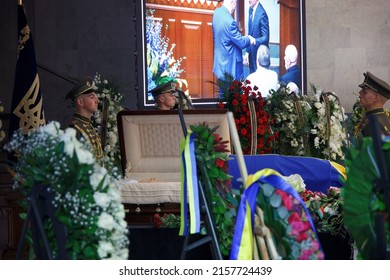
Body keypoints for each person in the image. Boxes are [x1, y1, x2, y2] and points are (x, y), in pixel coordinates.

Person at [212, 0, 255, 81]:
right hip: (230, 68)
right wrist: (249, 38)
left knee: (222, 92)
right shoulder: (230, 22)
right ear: (232, 2)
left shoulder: (217, 13)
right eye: (235, 3)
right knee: (231, 93)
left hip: (220, 66)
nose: (235, 7)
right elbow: (241, 42)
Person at [65, 76, 103, 159]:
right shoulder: (75, 130)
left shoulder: (88, 125)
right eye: (92, 97)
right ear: (80, 102)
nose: (98, 101)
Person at [354, 71, 390, 137]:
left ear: (375, 97)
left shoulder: (374, 124)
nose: (360, 94)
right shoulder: (376, 117)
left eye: (364, 92)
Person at [244, 0, 270, 74]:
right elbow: (250, 34)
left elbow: (266, 37)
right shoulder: (250, 10)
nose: (249, 0)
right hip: (251, 55)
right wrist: (247, 52)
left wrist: (255, 41)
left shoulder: (262, 14)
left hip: (260, 57)